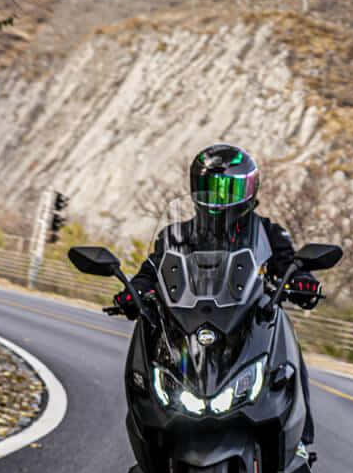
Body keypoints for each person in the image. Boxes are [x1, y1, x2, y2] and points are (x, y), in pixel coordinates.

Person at [110, 143, 322, 444]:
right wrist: (135, 291)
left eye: (228, 189)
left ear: (249, 190)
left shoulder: (267, 232)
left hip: (247, 323)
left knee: (286, 342)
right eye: (211, 187)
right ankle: (151, 435)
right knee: (150, 339)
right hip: (187, 324)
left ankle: (300, 438)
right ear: (195, 188)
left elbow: (289, 263)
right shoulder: (177, 235)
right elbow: (152, 270)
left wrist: (302, 281)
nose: (219, 198)